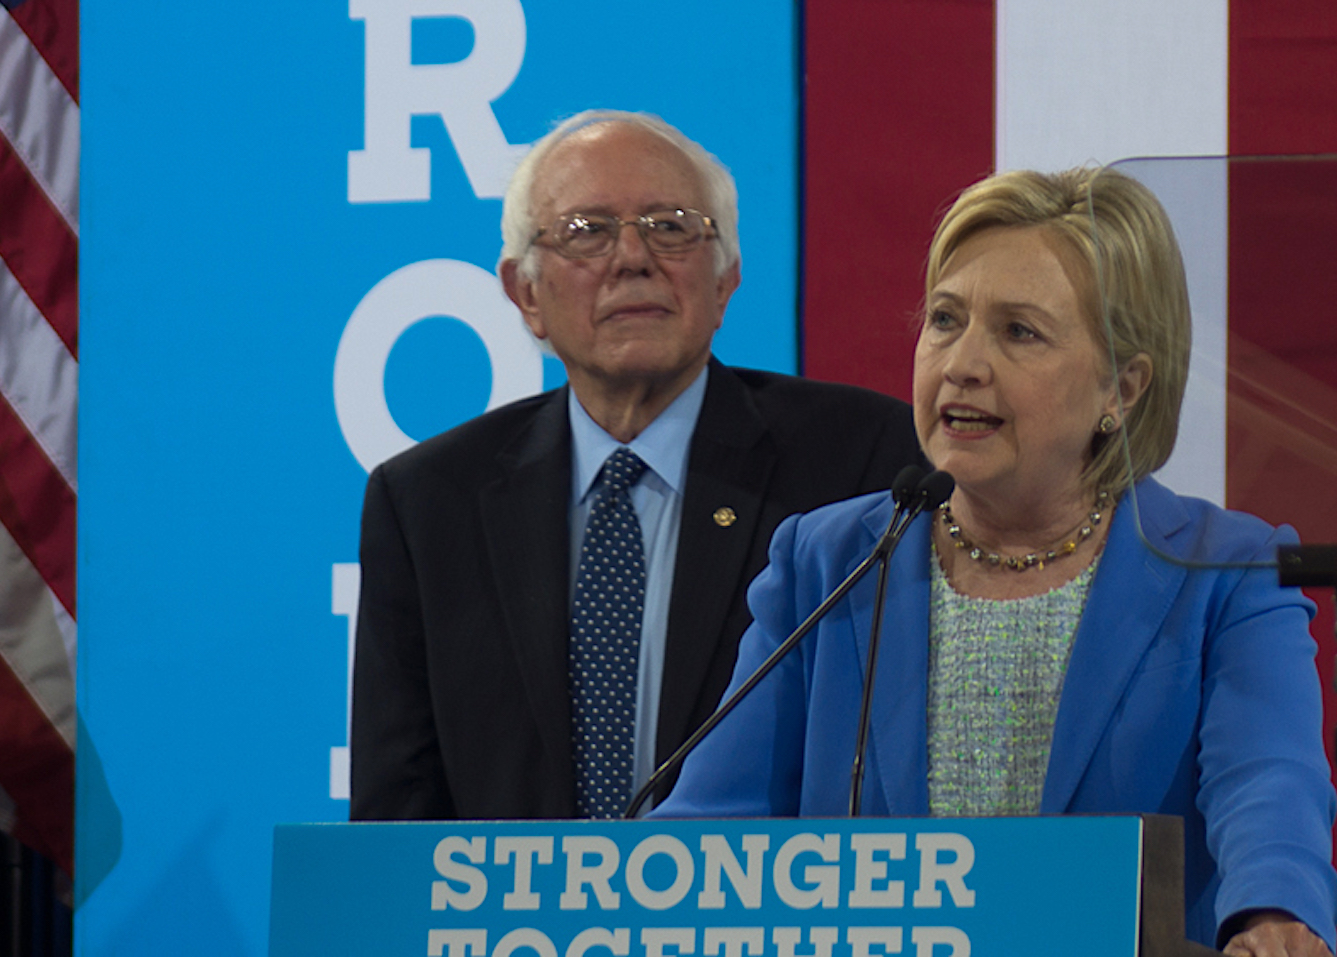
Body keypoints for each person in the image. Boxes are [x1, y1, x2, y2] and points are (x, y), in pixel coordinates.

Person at [653, 168, 1337, 956]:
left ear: (1122, 386)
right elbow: (708, 832)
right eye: (946, 319)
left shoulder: (1226, 573)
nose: (962, 364)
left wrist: (1272, 913)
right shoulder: (828, 560)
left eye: (1020, 331)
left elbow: (1269, 782)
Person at [349, 110, 922, 822]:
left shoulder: (863, 459)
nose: (631, 258)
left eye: (671, 225)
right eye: (587, 231)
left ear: (726, 280)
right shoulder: (426, 503)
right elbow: (395, 816)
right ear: (525, 293)